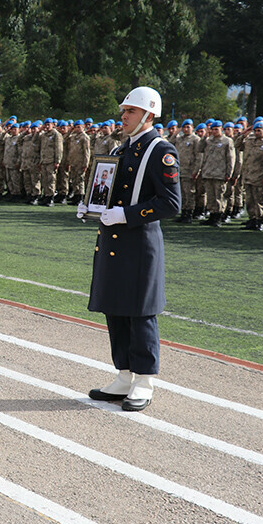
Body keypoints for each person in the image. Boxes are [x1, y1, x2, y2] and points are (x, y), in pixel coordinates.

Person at [77, 86, 181, 412]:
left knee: (140, 313)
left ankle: (145, 380)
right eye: (123, 111)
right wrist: (90, 206)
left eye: (130, 112)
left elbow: (171, 203)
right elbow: (110, 192)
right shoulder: (122, 149)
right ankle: (123, 374)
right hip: (113, 242)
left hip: (139, 244)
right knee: (116, 309)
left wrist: (127, 215)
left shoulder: (160, 150)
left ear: (148, 115)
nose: (123, 117)